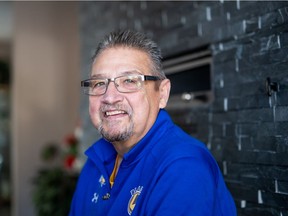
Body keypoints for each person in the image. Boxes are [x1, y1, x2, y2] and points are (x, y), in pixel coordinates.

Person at [69, 29, 236, 216]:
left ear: (162, 94)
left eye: (129, 81)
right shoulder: (95, 163)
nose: (110, 97)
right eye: (99, 83)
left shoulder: (183, 167)